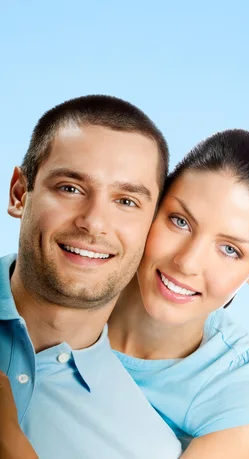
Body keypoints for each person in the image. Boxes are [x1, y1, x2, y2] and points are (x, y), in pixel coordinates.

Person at [0, 95, 182, 459]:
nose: (94, 222)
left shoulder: (149, 450)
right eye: (70, 188)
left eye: (126, 201)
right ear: (20, 193)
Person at [107, 129, 249, 458]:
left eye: (229, 249)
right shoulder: (67, 283)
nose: (187, 262)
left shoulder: (246, 390)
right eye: (179, 221)